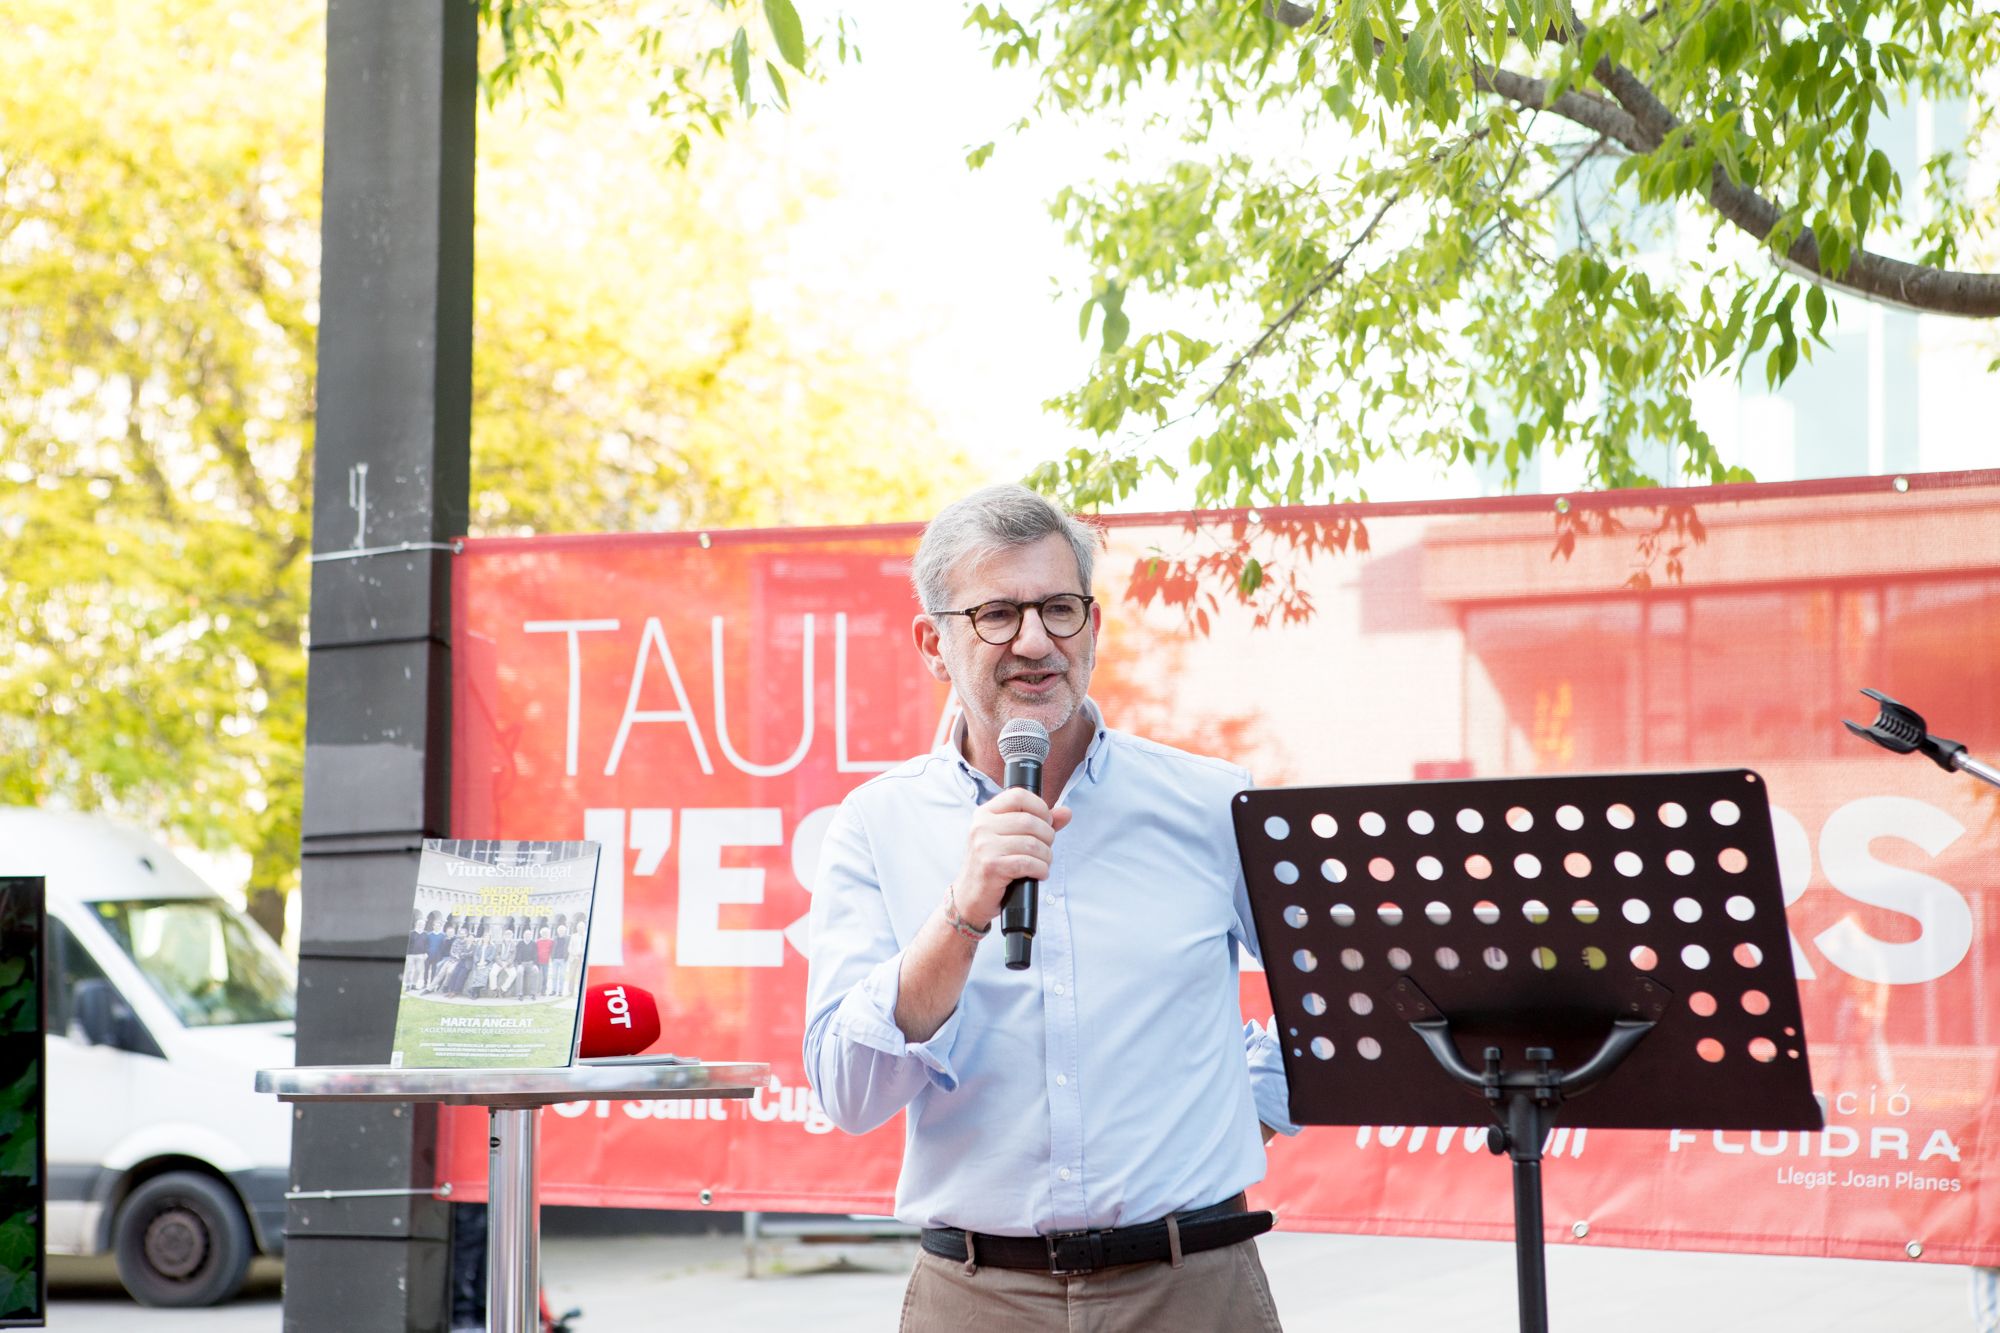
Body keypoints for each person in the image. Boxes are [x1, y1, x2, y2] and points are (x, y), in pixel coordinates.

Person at [803, 483, 1297, 1332]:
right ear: (934, 641)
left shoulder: (1212, 803)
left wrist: (1233, 1102)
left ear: (1094, 628)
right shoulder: (877, 822)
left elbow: (1335, 999)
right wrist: (960, 916)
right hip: (976, 1294)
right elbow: (849, 1092)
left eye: (1059, 608)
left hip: (1192, 1285)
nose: (1035, 641)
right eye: (996, 613)